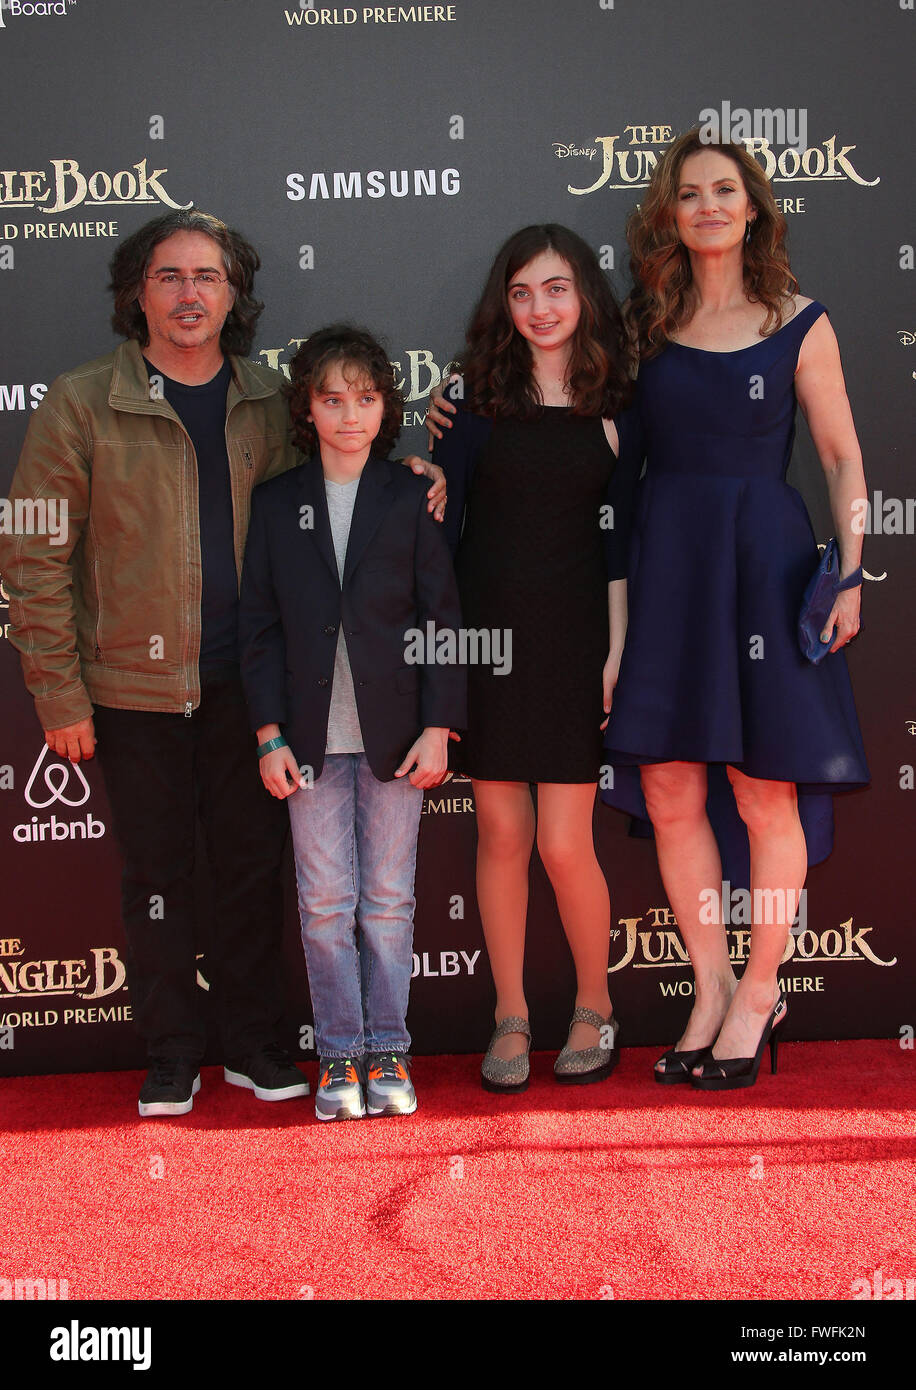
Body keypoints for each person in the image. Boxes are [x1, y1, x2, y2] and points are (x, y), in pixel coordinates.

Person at [0, 210, 445, 1117]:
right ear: (138, 291)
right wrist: (58, 690)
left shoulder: (265, 399)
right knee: (157, 878)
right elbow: (32, 555)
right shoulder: (84, 401)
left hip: (255, 688)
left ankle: (253, 1043)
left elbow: (335, 480)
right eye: (168, 276)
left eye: (207, 276)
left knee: (251, 874)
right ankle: (171, 1054)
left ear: (233, 294)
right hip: (132, 690)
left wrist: (412, 474)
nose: (189, 293)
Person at [600, 132, 869, 1089]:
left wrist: (850, 571)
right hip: (669, 565)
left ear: (752, 205)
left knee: (765, 791)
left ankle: (761, 995)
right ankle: (709, 987)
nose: (708, 205)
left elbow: (840, 458)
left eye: (724, 190)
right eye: (688, 194)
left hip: (763, 560)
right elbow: (603, 457)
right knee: (671, 788)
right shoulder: (645, 328)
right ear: (668, 215)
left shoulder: (801, 319)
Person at [429, 225, 638, 1091]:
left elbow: (622, 545)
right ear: (502, 304)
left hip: (576, 643)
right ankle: (509, 1014)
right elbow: (439, 529)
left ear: (584, 292)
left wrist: (617, 651)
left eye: (555, 289)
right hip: (486, 643)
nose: (539, 309)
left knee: (563, 843)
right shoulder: (472, 398)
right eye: (521, 293)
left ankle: (596, 1005)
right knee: (503, 833)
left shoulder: (621, 403)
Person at [239, 325, 466, 1122]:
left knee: (388, 902)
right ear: (306, 407)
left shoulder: (411, 496)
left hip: (396, 741)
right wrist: (268, 733)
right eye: (331, 399)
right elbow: (258, 628)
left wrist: (440, 727)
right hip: (304, 743)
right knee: (327, 902)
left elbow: (443, 619)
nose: (347, 415)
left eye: (364, 400)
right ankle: (339, 1053)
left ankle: (389, 1048)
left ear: (384, 407)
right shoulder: (275, 505)